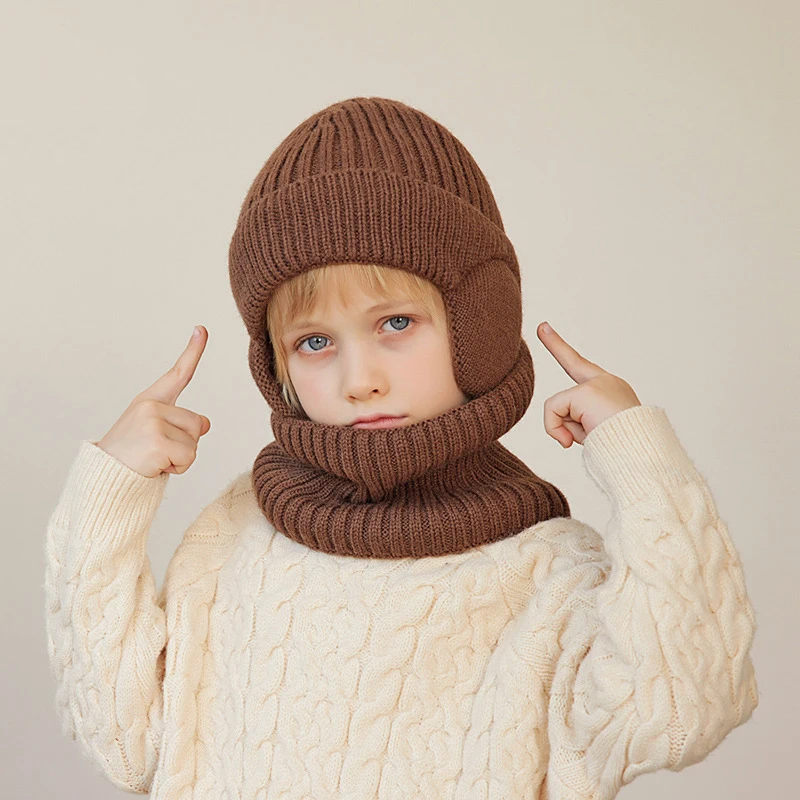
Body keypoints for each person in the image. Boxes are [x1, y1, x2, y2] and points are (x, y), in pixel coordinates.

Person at [44, 96, 759, 799]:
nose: (361, 380)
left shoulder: (549, 572)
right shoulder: (235, 535)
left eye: (395, 322)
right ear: (277, 365)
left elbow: (680, 714)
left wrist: (643, 462)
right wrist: (107, 497)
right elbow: (124, 743)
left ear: (478, 322)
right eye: (315, 342)